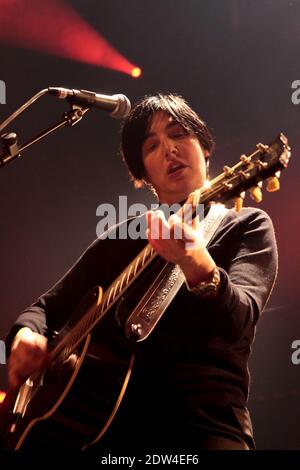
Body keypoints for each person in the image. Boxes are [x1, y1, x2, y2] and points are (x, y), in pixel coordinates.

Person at [5, 93, 278, 451]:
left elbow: (239, 321)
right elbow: (44, 307)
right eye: (152, 146)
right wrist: (25, 335)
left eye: (179, 135)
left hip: (203, 423)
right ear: (143, 174)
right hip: (102, 430)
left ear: (206, 148)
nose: (169, 150)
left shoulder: (247, 225)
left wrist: (195, 262)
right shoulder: (124, 236)